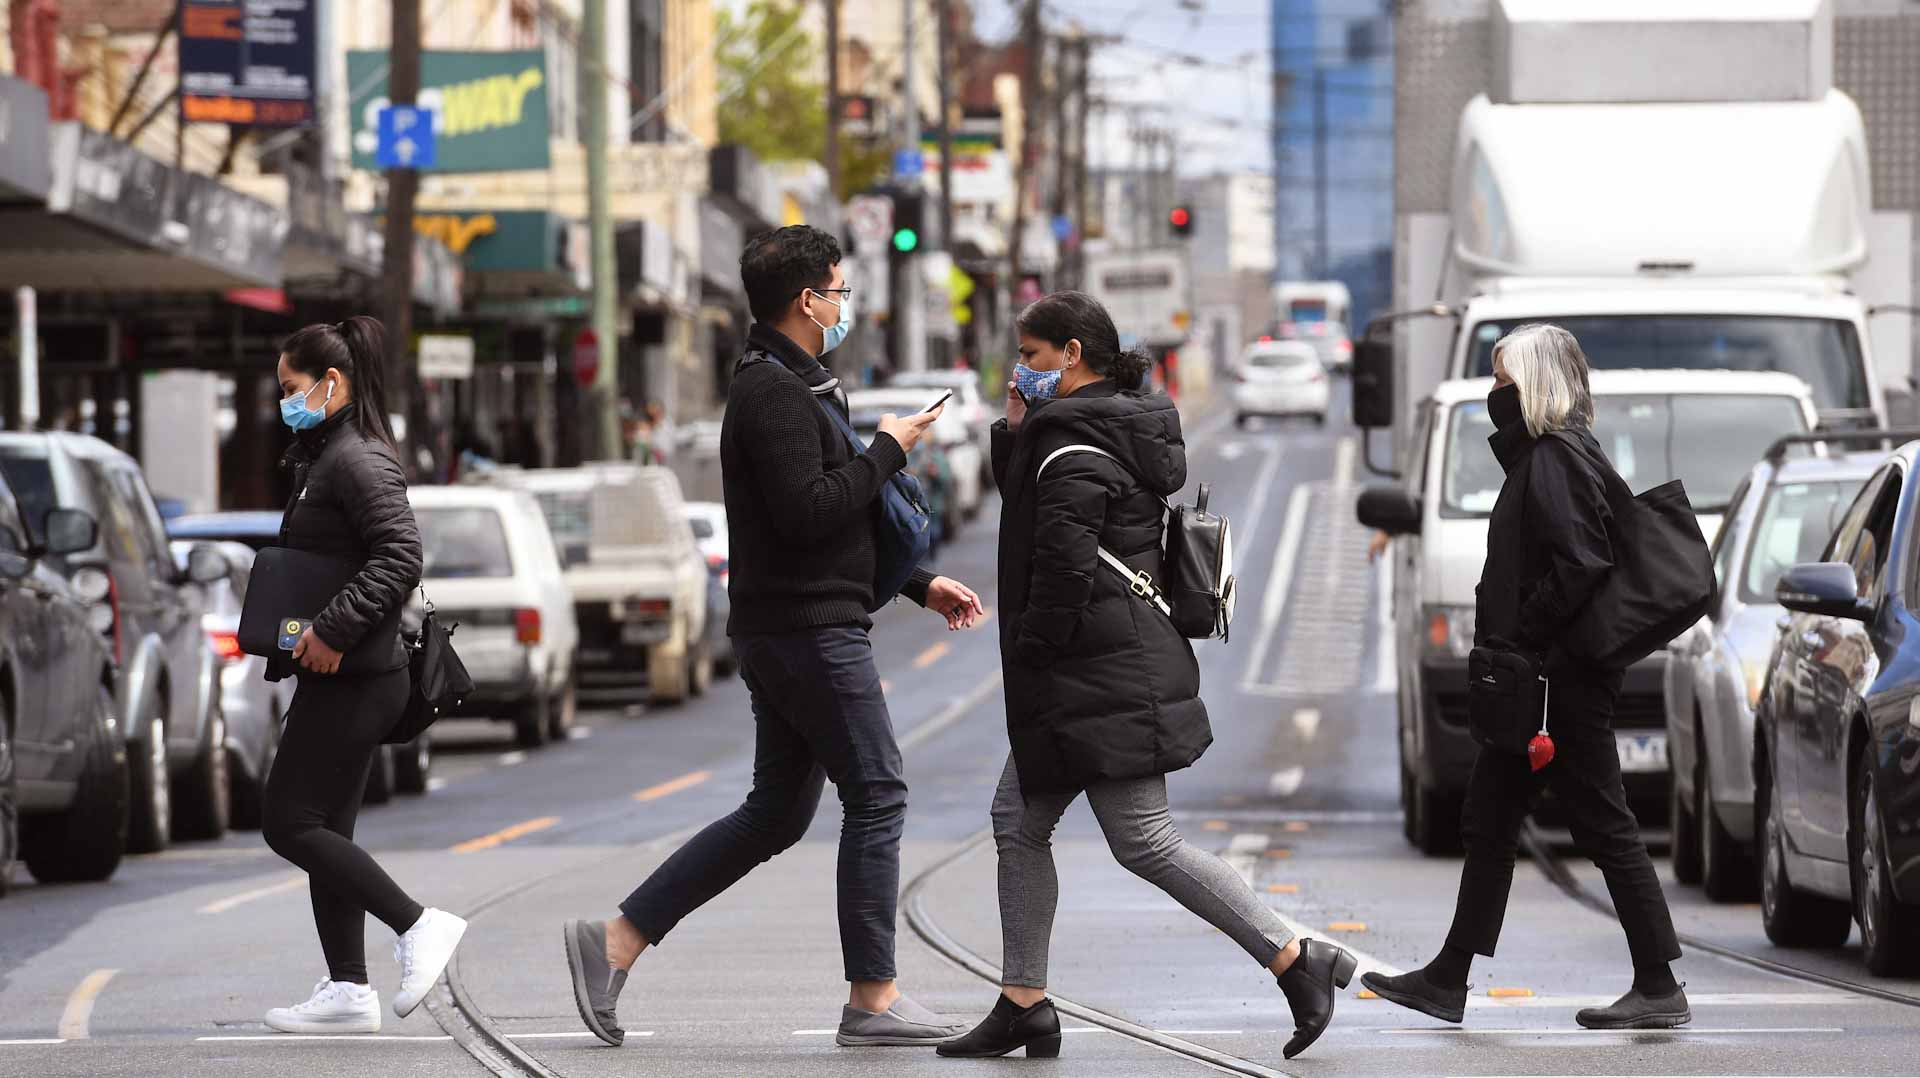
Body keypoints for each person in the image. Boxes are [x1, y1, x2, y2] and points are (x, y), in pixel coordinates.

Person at [561, 224, 987, 1048]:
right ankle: (873, 998)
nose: (843, 304)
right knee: (878, 789)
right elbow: (809, 512)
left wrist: (917, 582)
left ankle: (616, 942)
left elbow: (820, 520)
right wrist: (890, 452)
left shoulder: (796, 383)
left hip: (796, 623)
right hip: (807, 632)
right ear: (807, 299)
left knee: (775, 816)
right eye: (839, 289)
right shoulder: (773, 395)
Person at [938, 291, 1356, 1062]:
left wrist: (1029, 653)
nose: (1019, 369)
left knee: (1145, 841)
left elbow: (1061, 568)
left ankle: (1298, 959)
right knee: (1019, 822)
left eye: (1030, 357)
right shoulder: (1098, 427)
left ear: (1070, 355)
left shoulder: (1076, 447)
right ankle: (1023, 1001)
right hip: (1105, 661)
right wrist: (1014, 425)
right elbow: (1032, 501)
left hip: (1097, 673)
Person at [1361, 323, 1688, 1030]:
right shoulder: (1550, 456)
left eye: (1503, 381)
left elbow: (1582, 564)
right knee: (1491, 820)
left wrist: (1527, 637)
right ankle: (1448, 977)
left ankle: (1659, 984)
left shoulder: (1555, 460)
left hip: (1556, 682)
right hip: (1539, 679)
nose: (1493, 393)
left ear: (1535, 385)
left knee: (1603, 824)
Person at [260, 317, 467, 1034]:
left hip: (360, 675)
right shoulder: (325, 457)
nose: (282, 401)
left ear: (332, 384)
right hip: (344, 675)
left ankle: (420, 926)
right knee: (329, 831)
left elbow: (400, 556)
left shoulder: (355, 460)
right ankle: (348, 988)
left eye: (291, 388)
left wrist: (330, 629)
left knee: (287, 823)